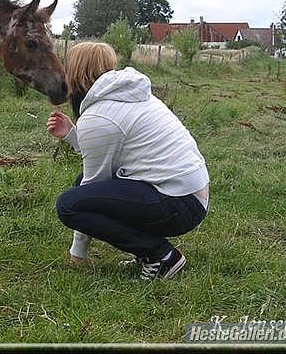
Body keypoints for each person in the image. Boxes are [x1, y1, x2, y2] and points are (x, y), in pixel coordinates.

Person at [46, 42, 209, 280]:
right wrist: (73, 135)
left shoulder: (99, 116)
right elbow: (110, 152)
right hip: (189, 196)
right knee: (83, 185)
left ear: (75, 72)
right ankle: (149, 253)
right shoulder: (129, 95)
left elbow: (93, 182)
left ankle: (160, 255)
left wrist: (78, 253)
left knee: (70, 205)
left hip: (179, 204)